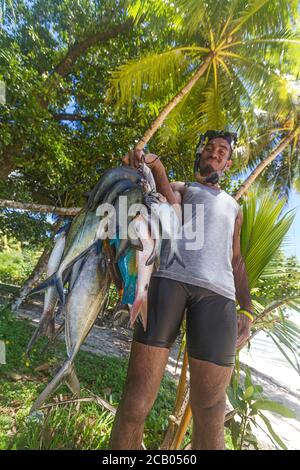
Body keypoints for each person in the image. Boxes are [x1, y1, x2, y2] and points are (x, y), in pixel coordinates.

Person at [110, 131, 253, 450]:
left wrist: (247, 308)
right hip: (168, 283)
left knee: (211, 413)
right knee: (135, 404)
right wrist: (151, 166)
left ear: (227, 164)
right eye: (210, 149)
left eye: (222, 151)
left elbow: (236, 258)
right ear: (200, 157)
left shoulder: (234, 207)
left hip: (219, 296)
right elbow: (166, 204)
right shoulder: (181, 189)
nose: (215, 153)